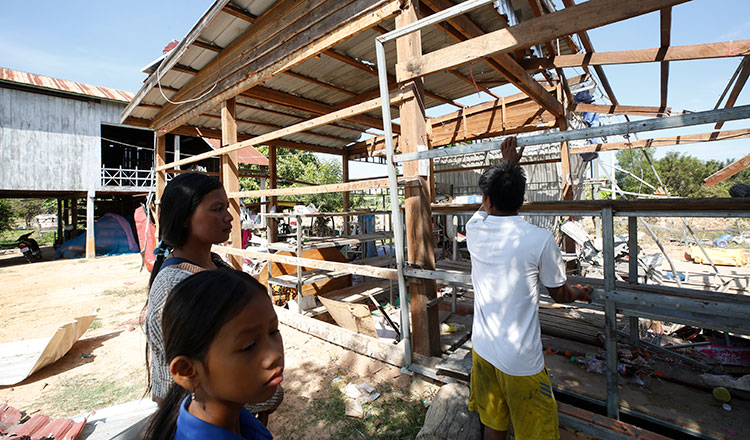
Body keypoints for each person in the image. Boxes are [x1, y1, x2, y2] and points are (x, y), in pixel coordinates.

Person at [466, 137, 592, 440]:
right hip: (520, 362)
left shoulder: (474, 229)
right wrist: (580, 292)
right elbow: (560, 294)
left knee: (493, 423)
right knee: (536, 432)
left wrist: (507, 166)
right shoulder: (540, 239)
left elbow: (484, 206)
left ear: (487, 199)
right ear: (522, 199)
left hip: (482, 351)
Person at [145, 172, 282, 422]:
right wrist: (267, 393)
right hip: (195, 417)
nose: (229, 217)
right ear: (185, 218)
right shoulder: (175, 287)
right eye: (217, 209)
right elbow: (203, 381)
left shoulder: (217, 265)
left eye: (226, 208)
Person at [143, 269, 284, 440]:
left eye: (273, 331)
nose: (274, 355)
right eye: (249, 346)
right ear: (187, 371)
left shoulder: (236, 415)